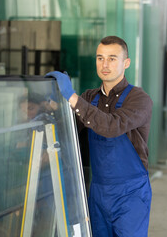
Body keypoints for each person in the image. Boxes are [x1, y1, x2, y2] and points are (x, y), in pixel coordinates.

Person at [45, 36, 153, 237]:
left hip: (130, 194)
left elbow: (111, 126)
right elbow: (67, 130)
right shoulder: (89, 98)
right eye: (100, 58)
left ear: (126, 63)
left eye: (112, 58)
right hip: (98, 192)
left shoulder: (139, 99)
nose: (105, 64)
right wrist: (53, 103)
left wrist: (72, 97)